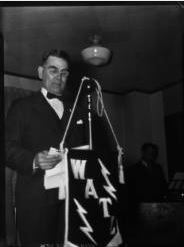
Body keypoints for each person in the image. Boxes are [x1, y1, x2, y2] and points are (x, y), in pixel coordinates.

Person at [5, 49, 110, 246]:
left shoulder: (78, 111)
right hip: (36, 201)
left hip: (75, 202)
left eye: (64, 72)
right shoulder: (22, 107)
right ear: (40, 72)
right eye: (53, 70)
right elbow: (6, 147)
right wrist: (34, 160)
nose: (59, 77)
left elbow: (91, 152)